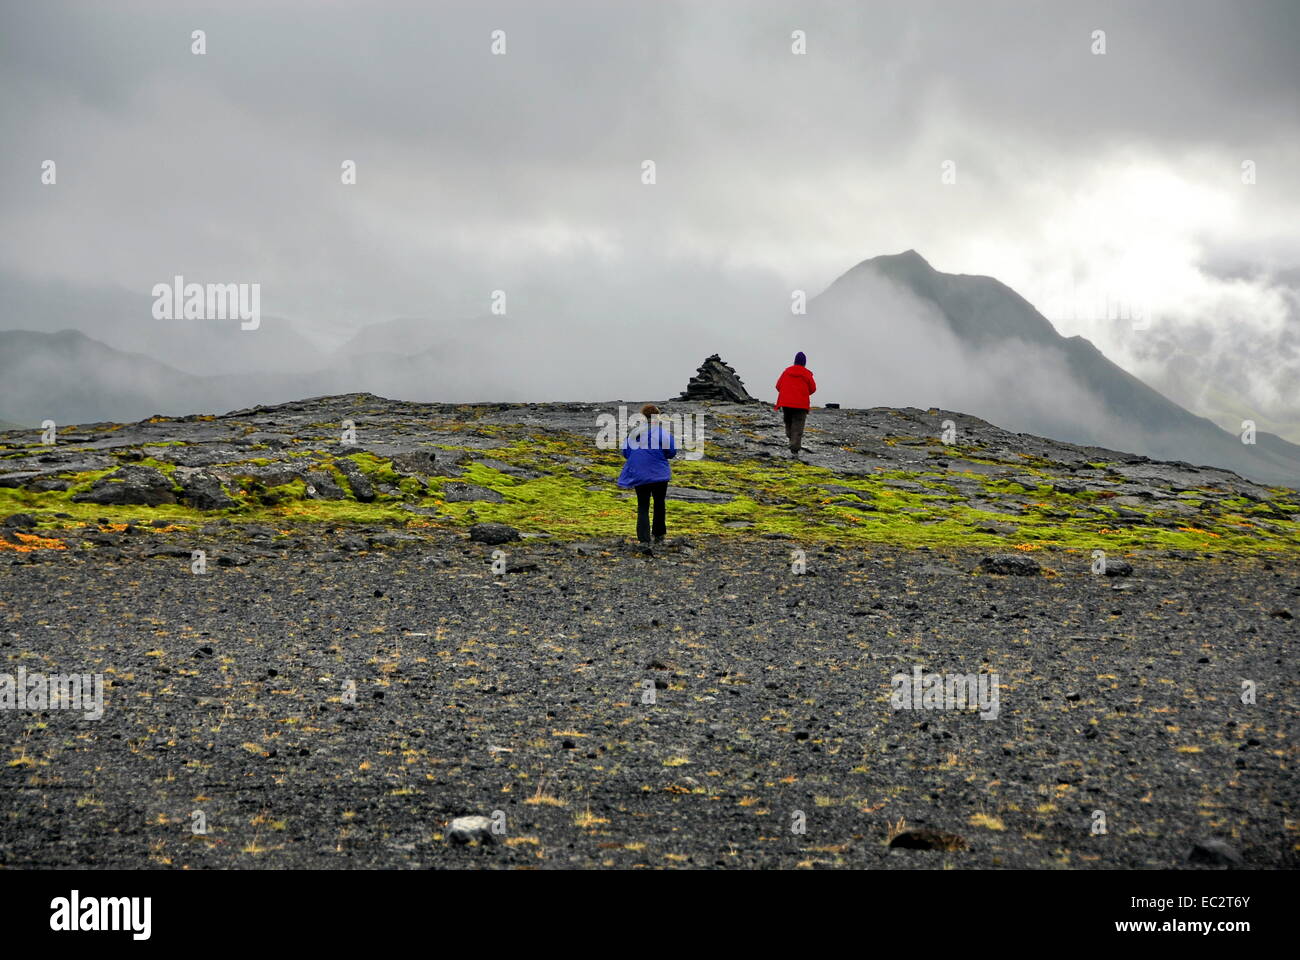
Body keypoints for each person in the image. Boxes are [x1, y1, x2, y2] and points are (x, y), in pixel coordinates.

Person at [617, 403, 678, 545]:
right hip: (659, 475)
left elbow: (626, 453)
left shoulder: (634, 433)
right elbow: (671, 452)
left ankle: (644, 539)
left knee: (643, 505)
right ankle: (659, 535)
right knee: (659, 503)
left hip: (640, 474)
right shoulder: (662, 433)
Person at [775, 351, 816, 456]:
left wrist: (787, 394)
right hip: (800, 405)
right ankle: (794, 449)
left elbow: (778, 386)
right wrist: (803, 393)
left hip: (786, 403)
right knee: (798, 425)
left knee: (788, 422)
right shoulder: (806, 374)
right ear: (804, 363)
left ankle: (791, 439)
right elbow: (813, 388)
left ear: (795, 361)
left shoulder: (786, 372)